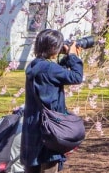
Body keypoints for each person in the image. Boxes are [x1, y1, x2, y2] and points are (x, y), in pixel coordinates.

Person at [21, 29, 84, 173]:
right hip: (49, 128)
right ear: (54, 47)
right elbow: (76, 77)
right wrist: (73, 56)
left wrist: (67, 57)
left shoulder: (35, 65)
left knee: (33, 168)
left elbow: (55, 73)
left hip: (33, 127)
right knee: (49, 166)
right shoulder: (49, 68)